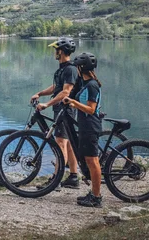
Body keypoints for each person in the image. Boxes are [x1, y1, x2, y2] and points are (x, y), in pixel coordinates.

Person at [30, 37, 80, 189]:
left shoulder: (71, 69)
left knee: (60, 143)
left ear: (62, 51)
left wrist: (47, 104)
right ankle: (73, 176)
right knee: (69, 143)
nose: (54, 52)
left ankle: (56, 180)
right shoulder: (62, 68)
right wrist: (40, 93)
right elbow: (55, 88)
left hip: (66, 110)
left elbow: (65, 92)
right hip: (61, 109)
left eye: (56, 49)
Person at [64, 52, 103, 207]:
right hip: (85, 125)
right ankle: (93, 193)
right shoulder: (85, 83)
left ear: (81, 67)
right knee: (89, 160)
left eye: (77, 66)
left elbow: (91, 109)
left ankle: (96, 197)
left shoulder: (92, 85)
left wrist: (74, 103)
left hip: (90, 126)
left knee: (93, 162)